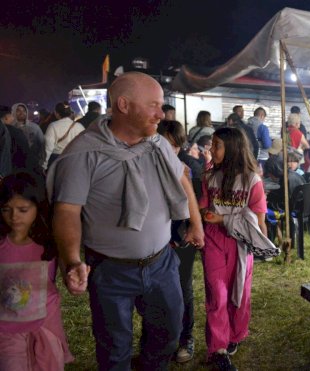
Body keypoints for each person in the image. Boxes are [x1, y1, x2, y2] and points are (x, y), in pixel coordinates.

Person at [48, 72, 204, 370]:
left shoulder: (157, 143)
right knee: (114, 349)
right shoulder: (84, 153)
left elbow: (182, 178)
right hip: (110, 271)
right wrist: (71, 259)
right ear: (123, 105)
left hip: (161, 263)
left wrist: (195, 223)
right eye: (154, 106)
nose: (162, 114)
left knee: (167, 335)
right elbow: (66, 211)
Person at [199, 127, 278, 370]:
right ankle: (218, 348)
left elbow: (258, 217)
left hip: (241, 243)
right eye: (212, 145)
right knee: (217, 294)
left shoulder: (252, 180)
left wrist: (261, 244)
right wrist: (205, 216)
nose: (211, 149)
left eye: (217, 145)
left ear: (232, 148)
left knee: (239, 292)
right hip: (213, 241)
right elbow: (202, 207)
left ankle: (236, 334)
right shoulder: (209, 177)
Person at [0, 172, 74, 370]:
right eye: (6, 209)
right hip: (7, 329)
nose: (14, 216)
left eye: (23, 209)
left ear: (38, 207)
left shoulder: (50, 243)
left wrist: (74, 276)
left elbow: (70, 270)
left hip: (45, 326)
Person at [156, 119, 201, 363]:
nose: (169, 150)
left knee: (183, 288)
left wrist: (184, 234)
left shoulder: (188, 168)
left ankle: (186, 338)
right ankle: (161, 341)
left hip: (180, 239)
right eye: (165, 143)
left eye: (175, 146)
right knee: (156, 294)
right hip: (155, 241)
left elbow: (192, 207)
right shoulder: (148, 164)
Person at [44, 102, 84, 169]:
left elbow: (48, 147)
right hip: (75, 160)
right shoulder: (79, 126)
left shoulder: (53, 126)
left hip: (57, 160)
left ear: (56, 113)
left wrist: (44, 165)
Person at [11, 103, 45, 170]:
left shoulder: (34, 127)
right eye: (18, 110)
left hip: (32, 164)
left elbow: (42, 145)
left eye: (24, 110)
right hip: (14, 165)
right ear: (13, 112)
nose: (22, 113)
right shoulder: (9, 128)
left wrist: (42, 162)